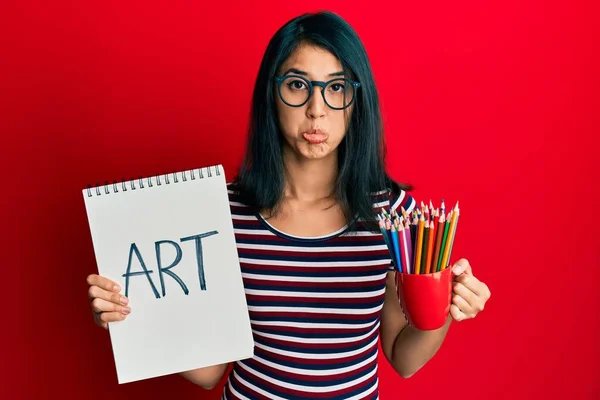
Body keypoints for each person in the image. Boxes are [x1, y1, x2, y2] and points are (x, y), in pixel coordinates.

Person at [86, 10, 491, 399]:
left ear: (356, 100)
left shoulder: (396, 218)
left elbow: (403, 358)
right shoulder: (222, 214)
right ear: (272, 94)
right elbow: (209, 373)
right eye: (298, 85)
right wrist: (130, 316)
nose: (317, 111)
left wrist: (444, 309)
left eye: (336, 88)